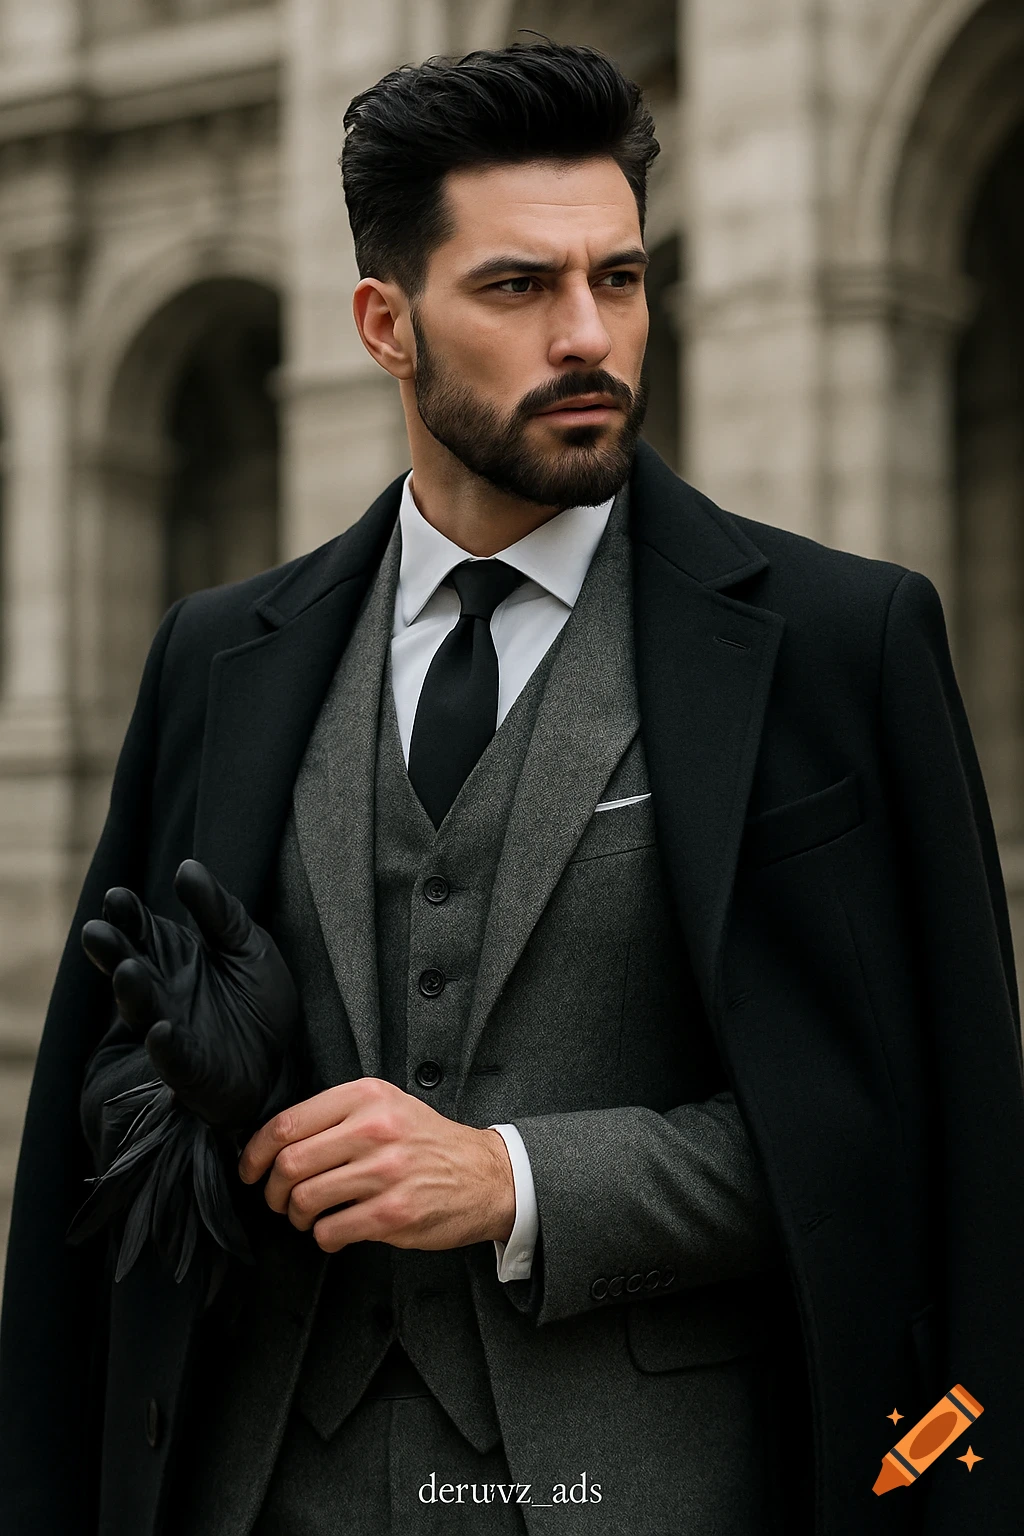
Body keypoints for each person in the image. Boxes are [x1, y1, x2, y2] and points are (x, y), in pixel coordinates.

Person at [2, 38, 1023, 1536]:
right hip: (261, 1484)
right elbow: (85, 1182)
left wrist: (518, 1179)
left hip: (645, 1493)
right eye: (518, 287)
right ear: (384, 321)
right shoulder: (219, 659)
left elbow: (906, 1137)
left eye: (618, 279)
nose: (588, 336)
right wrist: (199, 1110)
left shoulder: (836, 643)